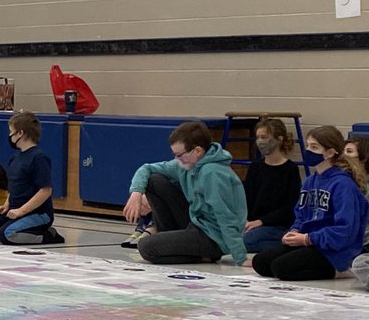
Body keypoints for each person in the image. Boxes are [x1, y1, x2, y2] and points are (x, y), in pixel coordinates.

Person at [122, 120, 247, 265]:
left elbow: (225, 215)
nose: (177, 160)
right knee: (154, 180)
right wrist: (136, 193)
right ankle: (170, 237)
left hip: (214, 237)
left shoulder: (213, 174)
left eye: (180, 155)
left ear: (198, 151)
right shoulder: (187, 164)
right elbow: (146, 168)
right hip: (197, 223)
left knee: (147, 247)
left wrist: (240, 256)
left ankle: (203, 256)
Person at [252, 126, 369, 281]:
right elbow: (301, 214)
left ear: (329, 152)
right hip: (309, 241)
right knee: (261, 262)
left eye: (314, 147)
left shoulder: (343, 184)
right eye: (307, 146)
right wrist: (294, 231)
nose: (308, 151)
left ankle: (339, 271)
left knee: (281, 268)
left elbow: (344, 230)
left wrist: (308, 238)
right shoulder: (310, 181)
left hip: (333, 248)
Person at [0, 111, 63, 244]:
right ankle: (17, 228)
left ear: (20, 133)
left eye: (11, 132)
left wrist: (21, 211)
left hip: (37, 213)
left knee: (7, 234)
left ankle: (48, 235)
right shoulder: (16, 157)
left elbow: (45, 190)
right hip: (13, 210)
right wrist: (6, 205)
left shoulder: (38, 158)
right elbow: (14, 187)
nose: (10, 136)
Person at [241, 117, 302, 253]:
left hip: (276, 225)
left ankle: (290, 246)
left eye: (264, 137)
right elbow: (246, 198)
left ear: (279, 139)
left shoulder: (290, 169)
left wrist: (261, 221)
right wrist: (244, 220)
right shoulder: (255, 167)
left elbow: (289, 208)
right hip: (252, 224)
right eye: (258, 138)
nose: (260, 142)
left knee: (246, 241)